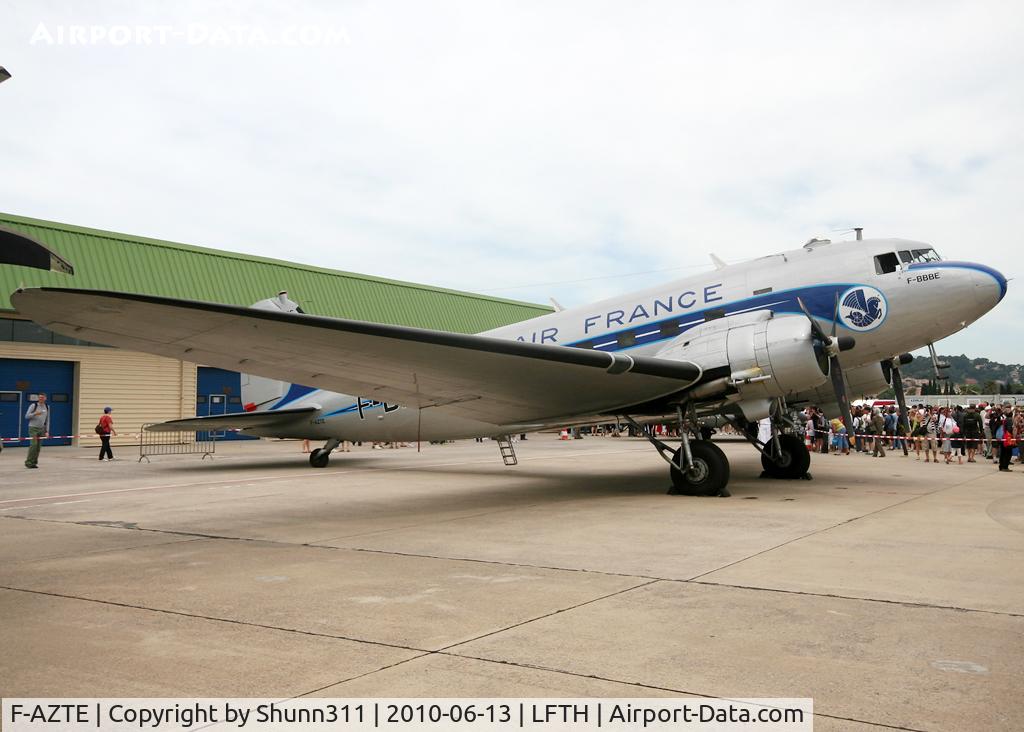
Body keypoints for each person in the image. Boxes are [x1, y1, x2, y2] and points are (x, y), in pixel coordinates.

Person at [24, 393, 50, 469]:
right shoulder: (33, 406)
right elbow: (26, 416)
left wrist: (47, 431)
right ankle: (28, 462)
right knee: (33, 445)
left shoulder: (47, 407)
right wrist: (35, 413)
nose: (41, 399)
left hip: (42, 429)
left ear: (45, 398)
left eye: (42, 397)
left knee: (38, 447)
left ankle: (33, 463)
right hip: (33, 428)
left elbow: (47, 420)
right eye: (39, 397)